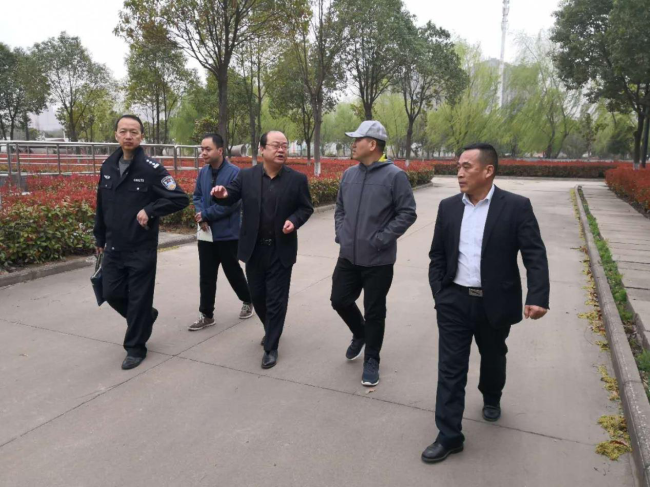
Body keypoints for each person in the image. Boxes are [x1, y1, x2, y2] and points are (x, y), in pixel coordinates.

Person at [422, 143, 550, 464]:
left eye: (466, 166)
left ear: (488, 170)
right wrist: (440, 294)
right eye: (458, 167)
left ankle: (492, 395)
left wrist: (537, 296)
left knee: (493, 357)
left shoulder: (516, 206)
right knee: (450, 368)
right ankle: (449, 435)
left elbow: (534, 253)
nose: (459, 173)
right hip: (454, 301)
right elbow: (437, 255)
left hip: (495, 302)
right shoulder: (448, 207)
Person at [211, 131, 313, 369]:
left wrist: (294, 221)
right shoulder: (246, 176)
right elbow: (230, 195)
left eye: (284, 146)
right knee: (258, 296)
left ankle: (271, 346)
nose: (281, 150)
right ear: (262, 149)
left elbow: (305, 208)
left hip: (281, 249)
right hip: (254, 249)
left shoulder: (297, 179)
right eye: (276, 145)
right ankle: (271, 328)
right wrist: (223, 194)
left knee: (277, 299)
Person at [94, 114, 189, 370]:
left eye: (134, 132)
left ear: (141, 136)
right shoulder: (108, 166)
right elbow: (101, 204)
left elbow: (180, 198)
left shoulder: (151, 169)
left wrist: (151, 209)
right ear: (116, 135)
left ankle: (135, 347)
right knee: (110, 293)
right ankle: (146, 317)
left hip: (141, 247)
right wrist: (99, 236)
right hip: (114, 246)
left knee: (138, 298)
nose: (128, 136)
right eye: (123, 131)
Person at [330, 120, 417, 387]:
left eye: (357, 140)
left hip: (378, 260)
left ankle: (372, 359)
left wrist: (381, 238)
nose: (353, 144)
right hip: (348, 256)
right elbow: (340, 208)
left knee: (375, 312)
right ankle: (360, 333)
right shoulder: (349, 175)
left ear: (372, 144)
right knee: (339, 300)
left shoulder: (394, 176)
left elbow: (407, 213)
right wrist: (342, 233)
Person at [190, 133, 254, 331]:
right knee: (206, 275)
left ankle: (248, 300)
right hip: (206, 234)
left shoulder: (235, 173)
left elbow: (232, 204)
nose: (203, 153)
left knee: (233, 272)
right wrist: (201, 217)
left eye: (207, 149)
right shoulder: (203, 172)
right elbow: (197, 196)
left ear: (220, 150)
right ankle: (206, 314)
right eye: (202, 149)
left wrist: (206, 215)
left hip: (228, 234)